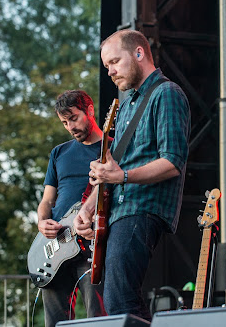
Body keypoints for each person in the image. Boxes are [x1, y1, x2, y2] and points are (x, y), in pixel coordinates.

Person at [74, 29, 190, 320]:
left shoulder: (166, 93)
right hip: (117, 211)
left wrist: (122, 177)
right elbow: (113, 169)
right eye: (106, 66)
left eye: (114, 62)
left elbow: (173, 161)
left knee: (119, 300)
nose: (110, 72)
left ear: (139, 53)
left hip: (142, 208)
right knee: (114, 301)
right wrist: (87, 209)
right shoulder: (126, 104)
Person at [38, 90, 107, 326]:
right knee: (54, 321)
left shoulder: (112, 148)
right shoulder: (59, 153)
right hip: (56, 246)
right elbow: (47, 200)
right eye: (64, 122)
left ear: (90, 111)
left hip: (92, 243)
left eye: (74, 118)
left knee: (96, 318)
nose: (70, 127)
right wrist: (42, 222)